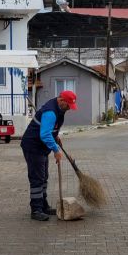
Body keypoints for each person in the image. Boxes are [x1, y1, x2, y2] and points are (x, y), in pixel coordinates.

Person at [20, 90, 78, 221]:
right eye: (68, 105)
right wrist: (56, 150)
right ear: (61, 100)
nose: (69, 108)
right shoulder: (50, 112)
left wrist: (55, 136)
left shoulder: (59, 109)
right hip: (33, 146)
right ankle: (36, 210)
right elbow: (45, 134)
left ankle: (43, 205)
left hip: (41, 147)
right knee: (37, 178)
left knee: (44, 177)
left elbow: (50, 129)